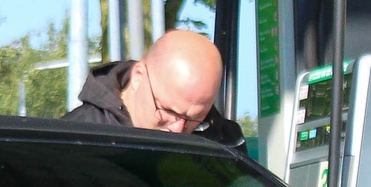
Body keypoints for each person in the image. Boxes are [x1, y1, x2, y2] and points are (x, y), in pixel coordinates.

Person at [68, 30, 242, 146]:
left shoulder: (227, 143)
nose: (178, 129)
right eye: (168, 111)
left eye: (195, 118)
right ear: (138, 77)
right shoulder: (75, 138)